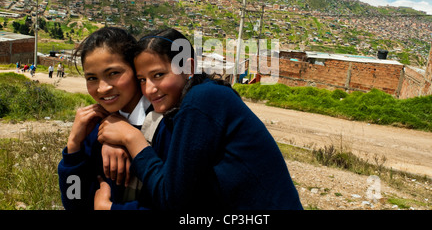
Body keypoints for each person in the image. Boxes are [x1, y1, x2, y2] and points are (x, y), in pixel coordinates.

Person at [97, 28, 303, 210]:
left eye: (158, 75)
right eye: (142, 80)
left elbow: (171, 200)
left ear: (188, 68)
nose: (149, 89)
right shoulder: (187, 102)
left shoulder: (201, 100)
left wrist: (132, 139)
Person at [57, 27, 169, 210]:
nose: (102, 88)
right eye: (92, 78)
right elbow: (74, 201)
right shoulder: (93, 128)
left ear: (135, 69)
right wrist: (73, 146)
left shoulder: (165, 125)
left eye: (113, 73)